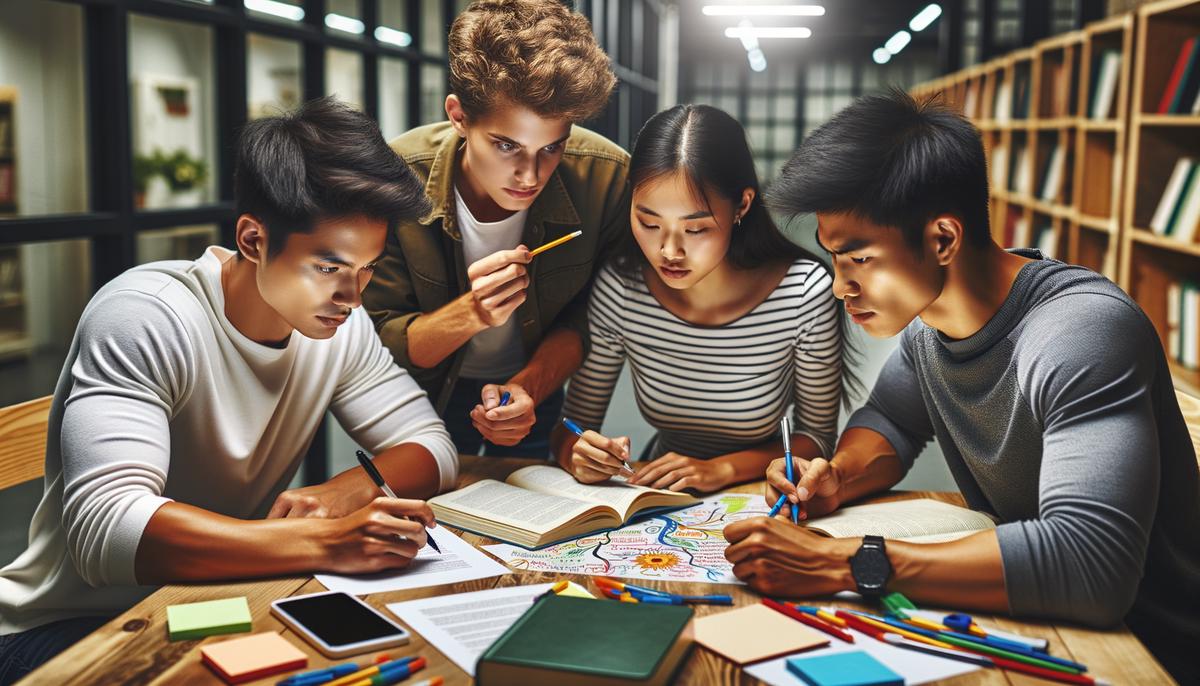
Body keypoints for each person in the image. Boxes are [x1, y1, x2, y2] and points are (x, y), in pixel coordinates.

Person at [722, 89, 1200, 683]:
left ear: (943, 238)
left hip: (1143, 653)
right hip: (1037, 623)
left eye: (859, 259)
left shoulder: (1080, 332)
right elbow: (890, 422)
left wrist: (847, 563)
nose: (840, 286)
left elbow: (1091, 565)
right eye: (832, 258)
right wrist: (839, 475)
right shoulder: (933, 328)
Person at [0, 97, 458, 684]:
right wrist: (321, 540)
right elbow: (107, 532)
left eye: (367, 268)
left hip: (212, 598)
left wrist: (346, 491)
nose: (353, 295)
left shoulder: (338, 326)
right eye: (328, 267)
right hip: (67, 631)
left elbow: (433, 447)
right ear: (252, 239)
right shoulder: (147, 316)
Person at [363, 0, 630, 459]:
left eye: (552, 148)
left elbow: (592, 319)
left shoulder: (605, 177)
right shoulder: (394, 178)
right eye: (507, 146)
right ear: (458, 115)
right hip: (417, 400)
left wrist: (526, 390)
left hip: (538, 386)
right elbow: (380, 342)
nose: (530, 175)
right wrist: (473, 312)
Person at [554, 105, 852, 493]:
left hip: (759, 489)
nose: (669, 251)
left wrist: (721, 470)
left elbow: (816, 438)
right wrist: (578, 452)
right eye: (649, 223)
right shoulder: (622, 288)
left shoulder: (802, 293)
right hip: (662, 490)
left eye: (695, 229)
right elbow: (571, 425)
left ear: (742, 205)